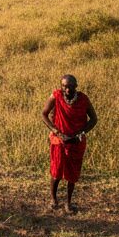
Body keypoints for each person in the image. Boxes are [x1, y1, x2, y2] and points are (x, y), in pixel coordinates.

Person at [42, 74, 98, 212]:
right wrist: (56, 131)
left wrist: (81, 133)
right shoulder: (56, 96)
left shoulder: (83, 99)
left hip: (76, 142)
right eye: (65, 86)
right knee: (56, 172)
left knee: (72, 174)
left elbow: (93, 119)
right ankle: (53, 200)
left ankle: (68, 203)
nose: (67, 89)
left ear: (76, 86)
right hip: (59, 140)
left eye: (71, 86)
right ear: (61, 86)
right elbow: (44, 114)